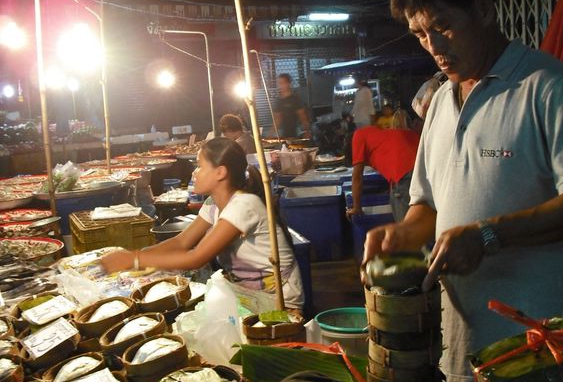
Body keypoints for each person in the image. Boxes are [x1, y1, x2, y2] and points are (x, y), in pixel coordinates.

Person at [364, 0, 563, 382]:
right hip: (458, 350)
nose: (432, 46)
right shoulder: (439, 102)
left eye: (443, 26)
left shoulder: (548, 89)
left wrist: (486, 236)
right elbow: (429, 207)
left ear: (483, 9)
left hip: (537, 356)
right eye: (420, 33)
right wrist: (400, 236)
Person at [101, 138, 304, 310]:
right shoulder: (212, 204)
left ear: (220, 172)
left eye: (200, 166)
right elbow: (181, 242)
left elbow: (196, 258)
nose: (194, 173)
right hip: (248, 292)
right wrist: (139, 255)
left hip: (278, 298)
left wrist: (135, 260)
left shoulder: (244, 204)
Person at [348, 125, 420, 222]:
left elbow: (357, 176)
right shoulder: (378, 134)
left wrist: (357, 208)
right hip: (426, 167)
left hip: (405, 174)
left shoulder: (358, 135)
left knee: (406, 230)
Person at [273, 73, 310, 139]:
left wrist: (307, 131)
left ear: (288, 83)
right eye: (279, 83)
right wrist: (271, 134)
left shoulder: (295, 99)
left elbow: (303, 117)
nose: (280, 86)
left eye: (282, 83)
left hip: (296, 135)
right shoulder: (278, 101)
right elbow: (277, 119)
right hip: (283, 136)